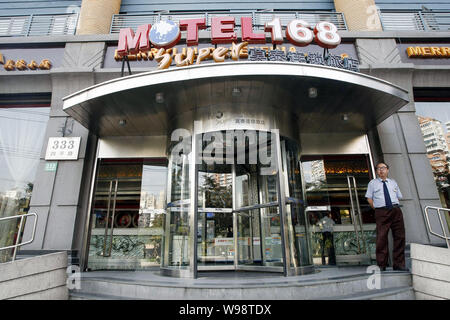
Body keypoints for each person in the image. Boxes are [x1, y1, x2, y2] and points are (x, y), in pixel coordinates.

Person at [365, 162, 407, 271]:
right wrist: (377, 208)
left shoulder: (393, 182)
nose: (381, 170)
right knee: (382, 237)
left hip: (396, 210)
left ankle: (399, 264)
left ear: (387, 170)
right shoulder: (372, 183)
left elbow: (399, 196)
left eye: (383, 168)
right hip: (381, 212)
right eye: (378, 169)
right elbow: (369, 198)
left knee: (400, 237)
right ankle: (381, 265)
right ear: (376, 171)